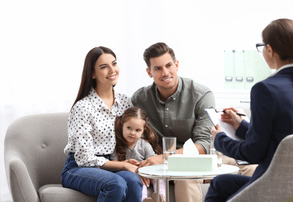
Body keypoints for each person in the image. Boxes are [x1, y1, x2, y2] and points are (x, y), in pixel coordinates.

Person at [205, 18, 293, 201]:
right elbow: (280, 137)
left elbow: (253, 153)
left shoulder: (265, 89)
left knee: (219, 186)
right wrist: (242, 125)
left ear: (270, 49)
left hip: (271, 186)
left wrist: (219, 139)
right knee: (220, 183)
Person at [131, 42, 215, 202]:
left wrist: (164, 157)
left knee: (184, 176)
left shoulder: (201, 95)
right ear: (149, 72)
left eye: (169, 65)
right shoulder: (140, 99)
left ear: (176, 65)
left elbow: (204, 145)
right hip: (155, 163)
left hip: (193, 161)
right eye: (157, 68)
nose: (165, 72)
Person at [61, 46, 143, 202]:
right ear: (92, 73)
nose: (112, 70)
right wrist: (123, 166)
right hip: (78, 167)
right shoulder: (83, 107)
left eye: (114, 63)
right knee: (116, 184)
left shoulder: (125, 102)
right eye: (104, 67)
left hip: (112, 163)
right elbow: (84, 158)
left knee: (133, 181)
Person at [111, 107, 166, 202]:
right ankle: (144, 199)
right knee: (139, 181)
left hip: (146, 171)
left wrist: (145, 169)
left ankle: (161, 197)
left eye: (137, 130)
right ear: (122, 125)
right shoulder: (116, 144)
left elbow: (152, 161)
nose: (132, 133)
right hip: (132, 173)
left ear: (143, 130)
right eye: (129, 128)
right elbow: (114, 162)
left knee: (159, 179)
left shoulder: (144, 145)